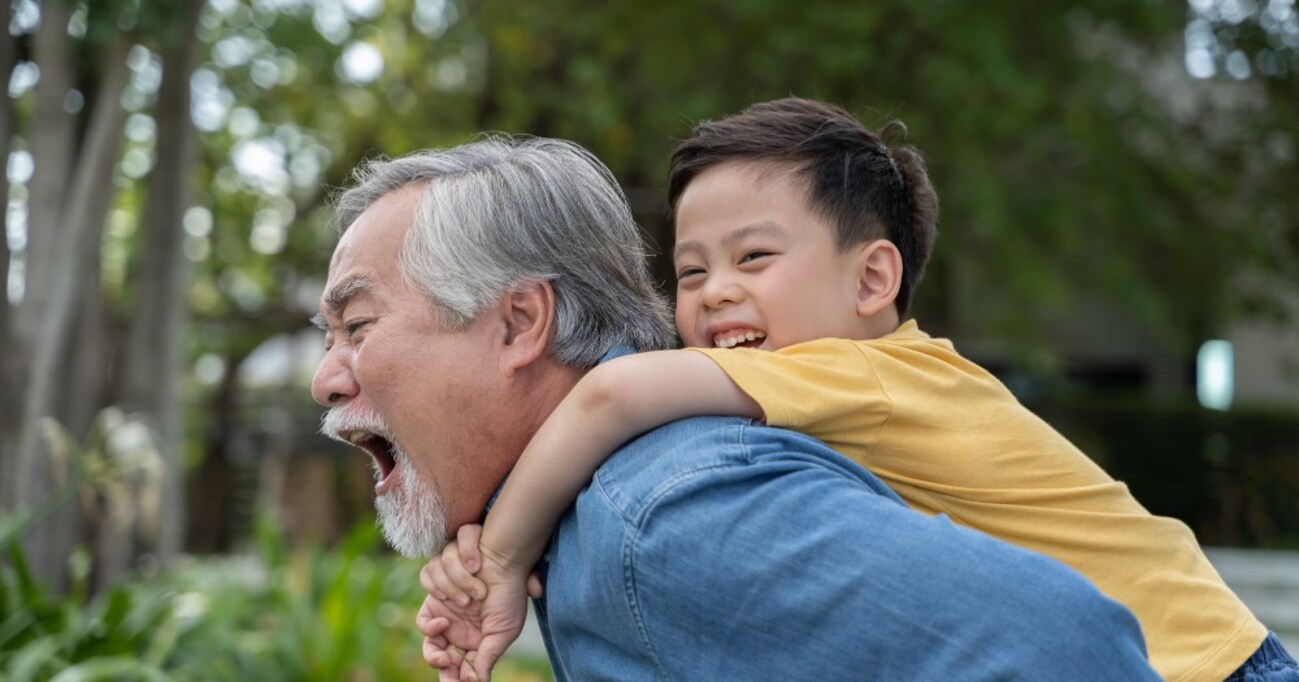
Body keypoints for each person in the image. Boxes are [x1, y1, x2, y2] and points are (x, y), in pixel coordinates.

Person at [418, 99, 1299, 682]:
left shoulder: (862, 373)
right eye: (689, 270)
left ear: (873, 279)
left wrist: (496, 557)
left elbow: (610, 400)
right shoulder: (881, 378)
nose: (715, 290)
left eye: (754, 257)